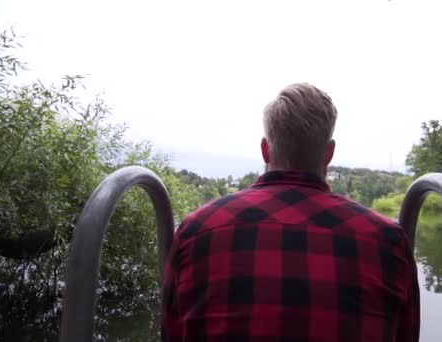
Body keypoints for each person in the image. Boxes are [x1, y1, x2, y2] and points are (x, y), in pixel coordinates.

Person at [161, 83, 419, 341]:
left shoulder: (195, 231)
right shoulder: (388, 241)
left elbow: (171, 332)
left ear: (265, 149)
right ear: (329, 154)